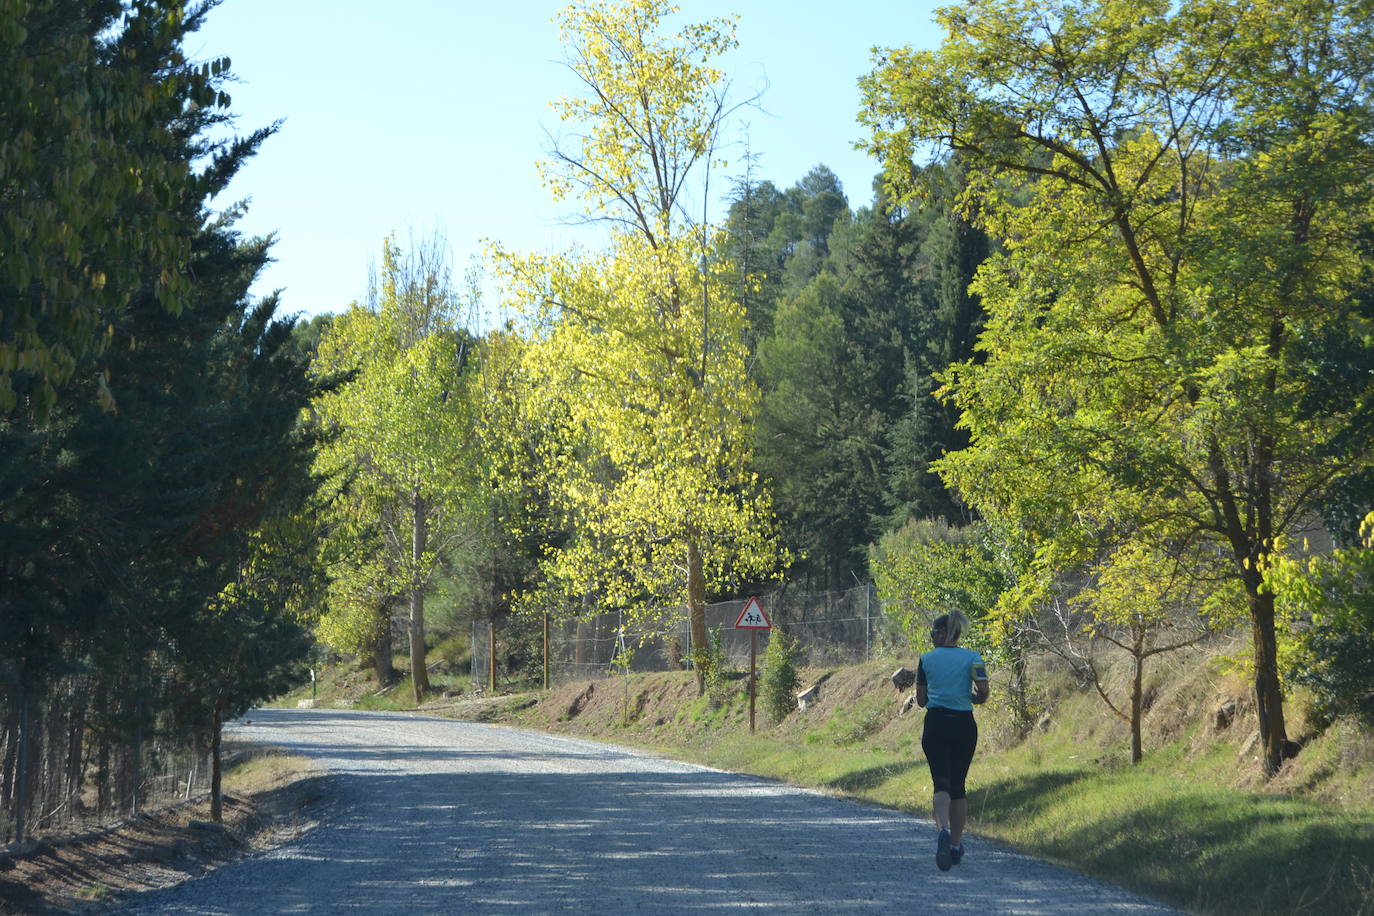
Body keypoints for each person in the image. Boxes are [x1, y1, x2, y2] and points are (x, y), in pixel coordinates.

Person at [915, 610, 989, 871]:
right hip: (963, 725)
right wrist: (972, 697)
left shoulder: (925, 659)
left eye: (934, 633)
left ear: (944, 633)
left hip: (936, 724)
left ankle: (942, 830)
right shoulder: (973, 658)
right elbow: (983, 692)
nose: (932, 637)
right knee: (958, 786)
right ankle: (956, 847)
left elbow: (921, 701)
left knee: (941, 784)